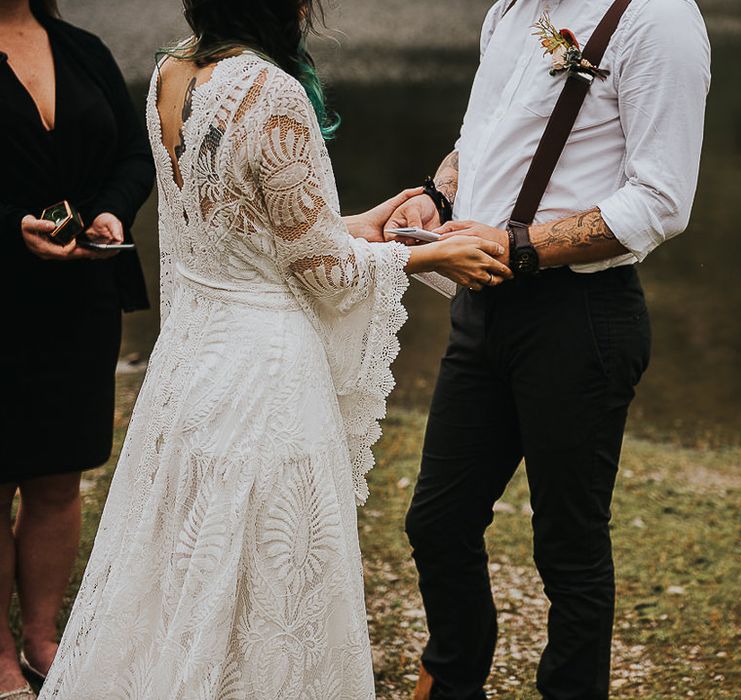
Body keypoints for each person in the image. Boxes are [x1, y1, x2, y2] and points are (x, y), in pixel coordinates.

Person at [37, 0, 512, 697]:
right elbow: (324, 271)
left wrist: (364, 225)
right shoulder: (272, 91)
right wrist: (431, 259)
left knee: (183, 575)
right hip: (266, 382)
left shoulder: (170, 72)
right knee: (269, 584)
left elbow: (239, 234)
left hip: (191, 370)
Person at [386, 0, 711, 698]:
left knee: (568, 548)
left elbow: (660, 201)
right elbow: (484, 138)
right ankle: (450, 680)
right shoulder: (509, 9)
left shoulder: (659, 19)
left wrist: (519, 244)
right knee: (438, 522)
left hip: (581, 315)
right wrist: (436, 198)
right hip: (483, 303)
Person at [0, 0, 154, 696]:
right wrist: (12, 228)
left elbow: (133, 150)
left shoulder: (81, 46)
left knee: (60, 475)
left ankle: (40, 634)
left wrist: (114, 209)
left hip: (81, 296)